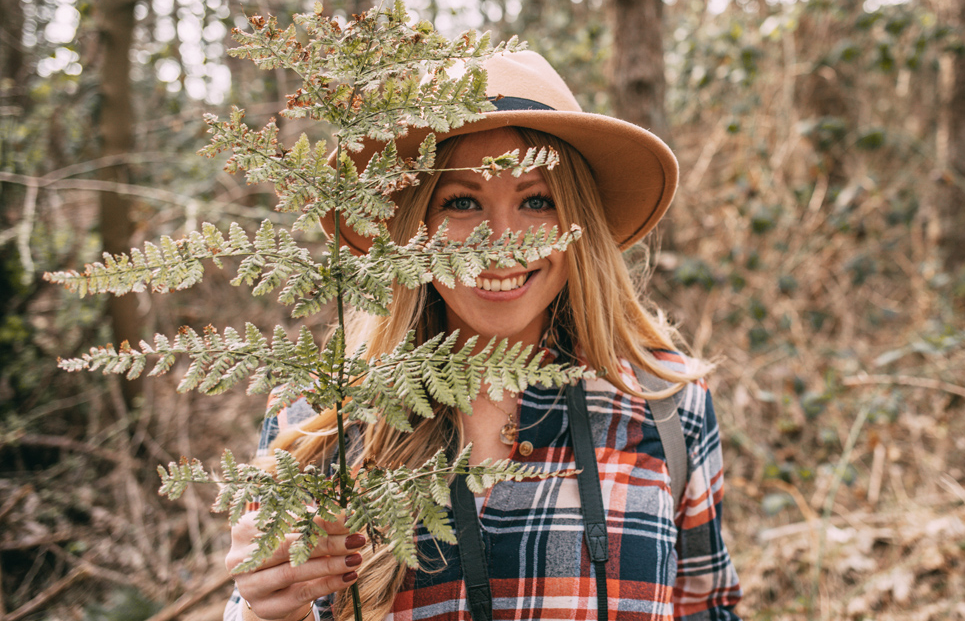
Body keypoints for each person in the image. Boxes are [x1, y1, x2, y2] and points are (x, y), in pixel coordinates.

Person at [224, 51, 742, 621]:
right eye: (462, 202)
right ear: (413, 226)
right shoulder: (322, 417)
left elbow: (707, 609)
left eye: (537, 200)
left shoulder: (665, 406)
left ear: (579, 225)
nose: (500, 241)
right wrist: (261, 609)